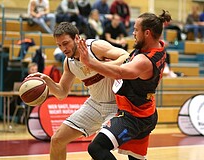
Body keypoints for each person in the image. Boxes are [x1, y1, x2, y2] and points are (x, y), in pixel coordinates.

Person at [27, 22, 129, 160]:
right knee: (57, 139)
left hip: (115, 106)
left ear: (76, 38)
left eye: (66, 43)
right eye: (59, 45)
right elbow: (62, 93)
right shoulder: (69, 63)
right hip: (94, 104)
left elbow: (125, 56)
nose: (63, 48)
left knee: (97, 149)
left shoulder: (94, 47)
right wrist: (48, 81)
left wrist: (98, 66)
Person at [78, 10, 171, 160]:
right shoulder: (157, 46)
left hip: (134, 116)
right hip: (146, 111)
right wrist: (107, 63)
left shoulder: (144, 61)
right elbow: (128, 62)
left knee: (97, 147)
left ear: (147, 33)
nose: (133, 33)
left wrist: (91, 62)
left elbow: (120, 73)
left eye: (136, 30)